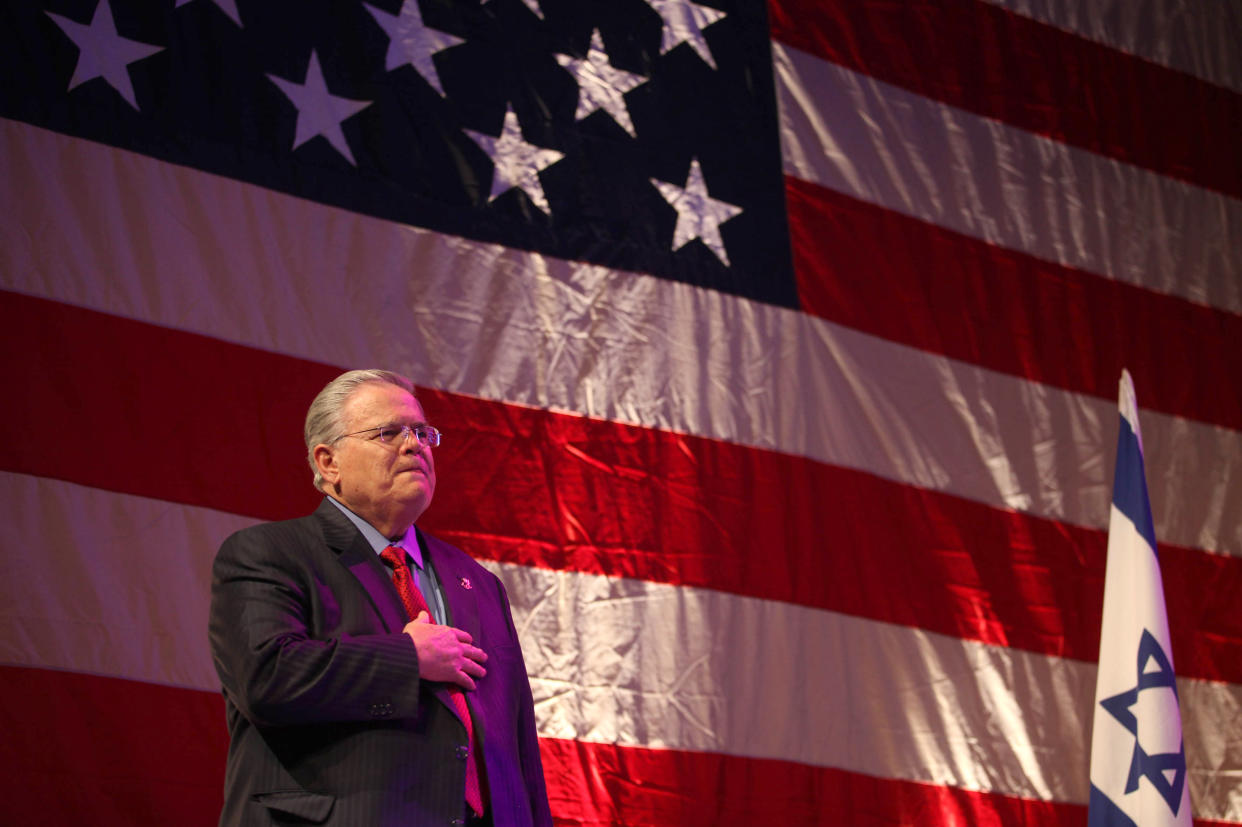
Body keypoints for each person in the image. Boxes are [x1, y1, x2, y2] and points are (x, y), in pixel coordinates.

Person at [208, 369, 552, 826]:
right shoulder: (268, 554)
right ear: (328, 462)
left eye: (423, 433)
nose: (415, 446)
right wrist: (408, 659)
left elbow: (518, 740)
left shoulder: (478, 582)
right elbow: (266, 679)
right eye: (389, 433)